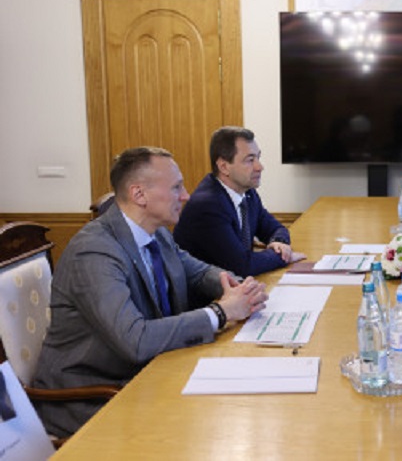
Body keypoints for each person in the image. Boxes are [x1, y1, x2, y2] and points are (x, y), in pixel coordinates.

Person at [33, 147, 268, 436]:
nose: (186, 196)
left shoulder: (156, 233)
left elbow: (197, 271)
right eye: (176, 187)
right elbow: (135, 340)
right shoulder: (94, 251)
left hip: (148, 373)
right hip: (89, 396)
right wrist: (220, 313)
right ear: (139, 194)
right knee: (209, 427)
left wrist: (238, 287)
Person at [174, 126, 306, 277]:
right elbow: (242, 265)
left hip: (236, 285)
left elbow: (276, 228)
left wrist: (279, 243)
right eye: (250, 160)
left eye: (258, 158)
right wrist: (282, 256)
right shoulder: (207, 205)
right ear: (224, 167)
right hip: (206, 290)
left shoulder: (248, 193)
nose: (259, 167)